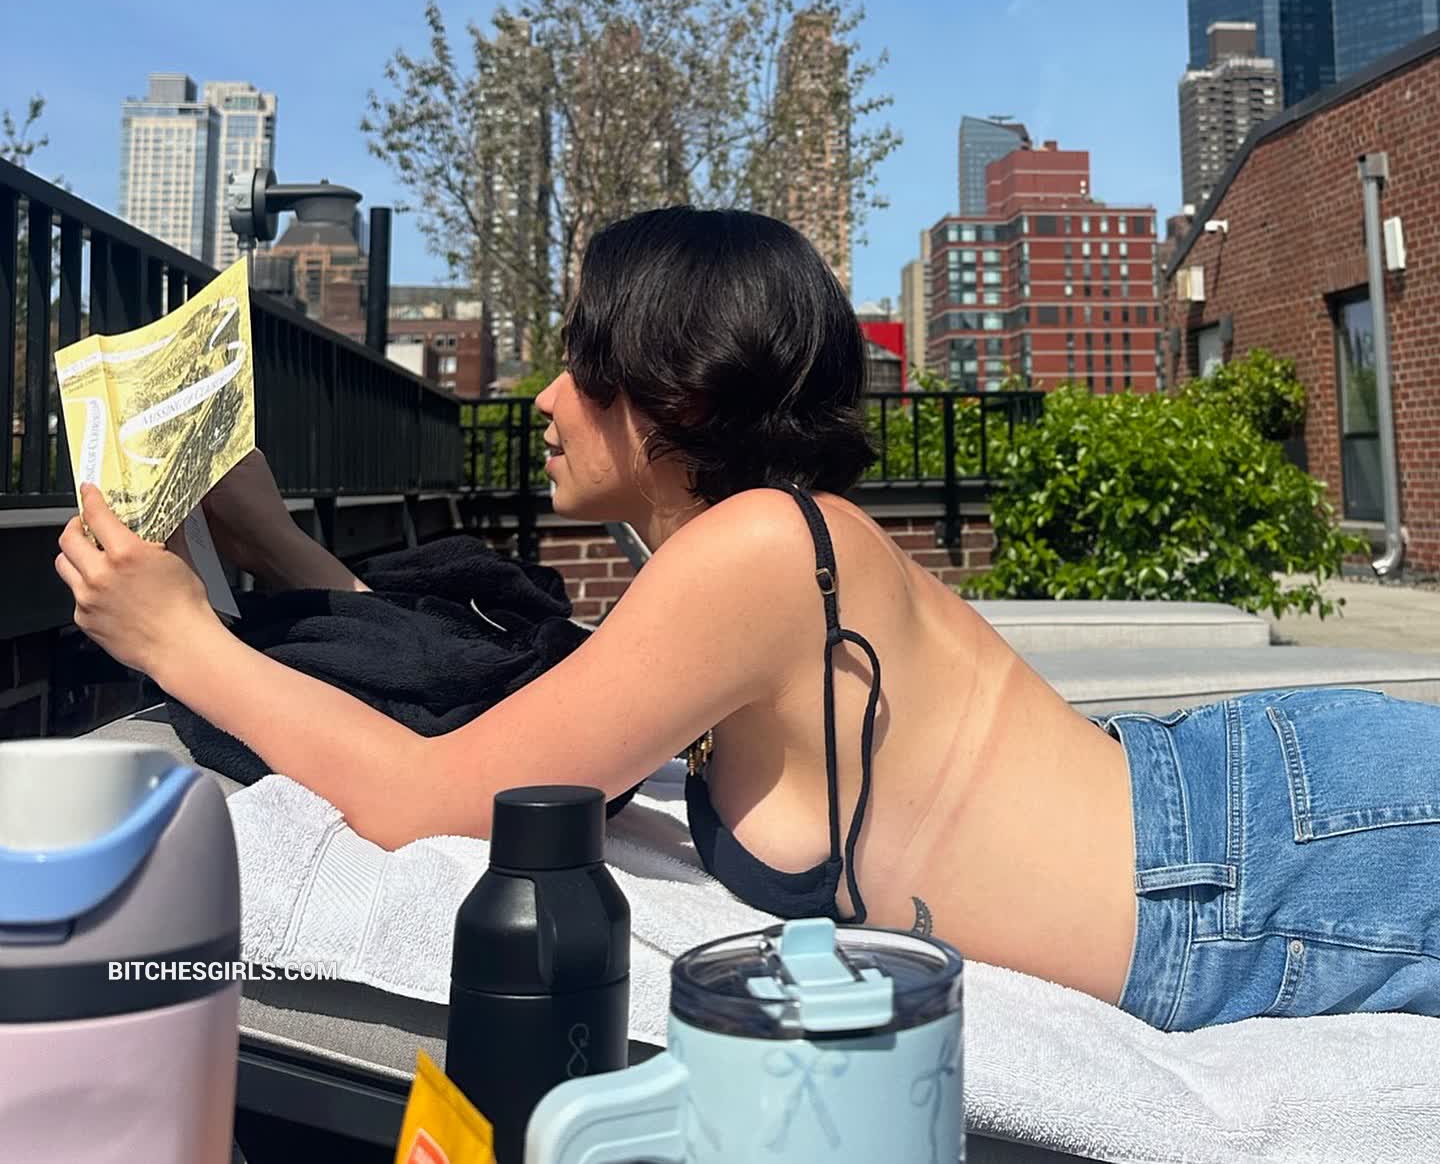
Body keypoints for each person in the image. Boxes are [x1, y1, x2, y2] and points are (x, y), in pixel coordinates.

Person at [55, 207, 1440, 1031]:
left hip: (1272, 869)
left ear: (682, 392)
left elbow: (438, 800)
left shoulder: (763, 551)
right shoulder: (737, 560)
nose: (544, 400)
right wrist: (273, 541)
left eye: (582, 362)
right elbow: (490, 710)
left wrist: (181, 644)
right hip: (1243, 839)